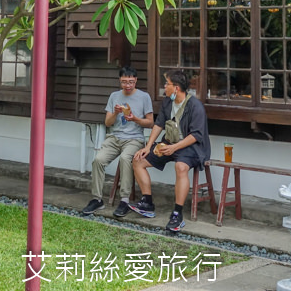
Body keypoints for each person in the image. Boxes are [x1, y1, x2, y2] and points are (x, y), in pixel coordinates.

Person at [128, 70, 210, 232]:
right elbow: (158, 124)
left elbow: (196, 135)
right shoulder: (167, 102)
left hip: (191, 147)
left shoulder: (195, 106)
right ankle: (147, 203)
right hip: (169, 143)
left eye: (167, 84)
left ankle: (177, 214)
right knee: (138, 160)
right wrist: (148, 146)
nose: (164, 87)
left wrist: (174, 148)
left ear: (176, 88)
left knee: (180, 167)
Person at [81, 66, 154, 217]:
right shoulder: (114, 96)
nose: (128, 85)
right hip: (114, 138)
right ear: (119, 81)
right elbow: (108, 123)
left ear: (136, 81)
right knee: (98, 161)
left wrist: (135, 119)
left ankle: (125, 200)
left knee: (125, 158)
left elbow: (150, 122)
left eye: (131, 82)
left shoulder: (144, 97)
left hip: (134, 139)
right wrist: (115, 112)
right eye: (124, 82)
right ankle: (97, 199)